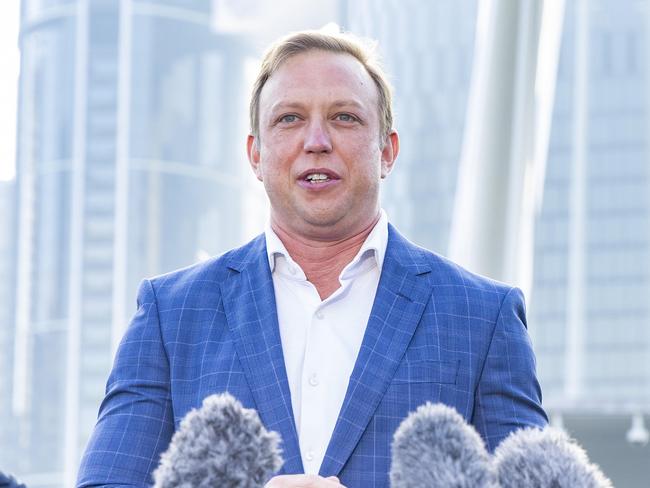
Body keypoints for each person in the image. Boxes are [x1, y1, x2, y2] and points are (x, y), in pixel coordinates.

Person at [77, 30, 547, 488]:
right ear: (255, 155)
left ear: (387, 151)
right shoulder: (171, 314)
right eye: (289, 119)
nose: (316, 140)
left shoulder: (483, 319)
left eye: (344, 117)